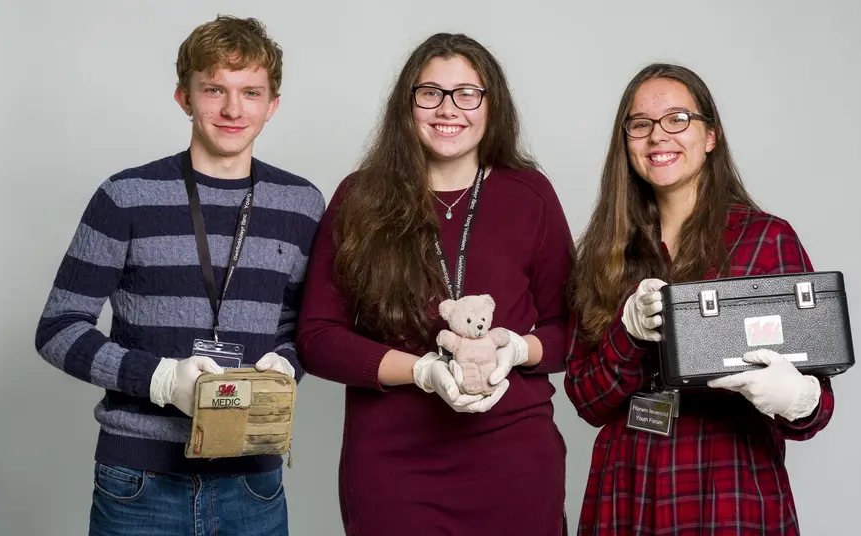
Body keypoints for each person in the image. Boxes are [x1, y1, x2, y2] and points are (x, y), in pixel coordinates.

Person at [33, 15, 324, 535]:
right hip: (139, 481)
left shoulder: (302, 204)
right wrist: (161, 379)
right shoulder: (125, 197)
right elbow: (58, 328)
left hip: (253, 482)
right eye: (214, 89)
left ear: (271, 104)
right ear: (184, 98)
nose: (233, 109)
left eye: (251, 92)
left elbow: (306, 327)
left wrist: (286, 362)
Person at [295, 32, 574, 535]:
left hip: (514, 459)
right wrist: (421, 370)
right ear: (407, 104)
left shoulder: (529, 195)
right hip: (393, 465)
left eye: (468, 93)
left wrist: (515, 348)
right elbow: (317, 337)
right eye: (431, 93)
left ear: (493, 106)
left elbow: (569, 329)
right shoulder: (359, 197)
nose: (449, 109)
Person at [564, 62, 835, 535]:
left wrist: (799, 397)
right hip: (628, 491)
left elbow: (816, 410)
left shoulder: (765, 240)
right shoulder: (605, 253)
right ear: (625, 142)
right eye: (640, 125)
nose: (657, 137)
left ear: (711, 136)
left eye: (677, 119)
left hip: (728, 491)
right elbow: (586, 401)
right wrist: (627, 336)